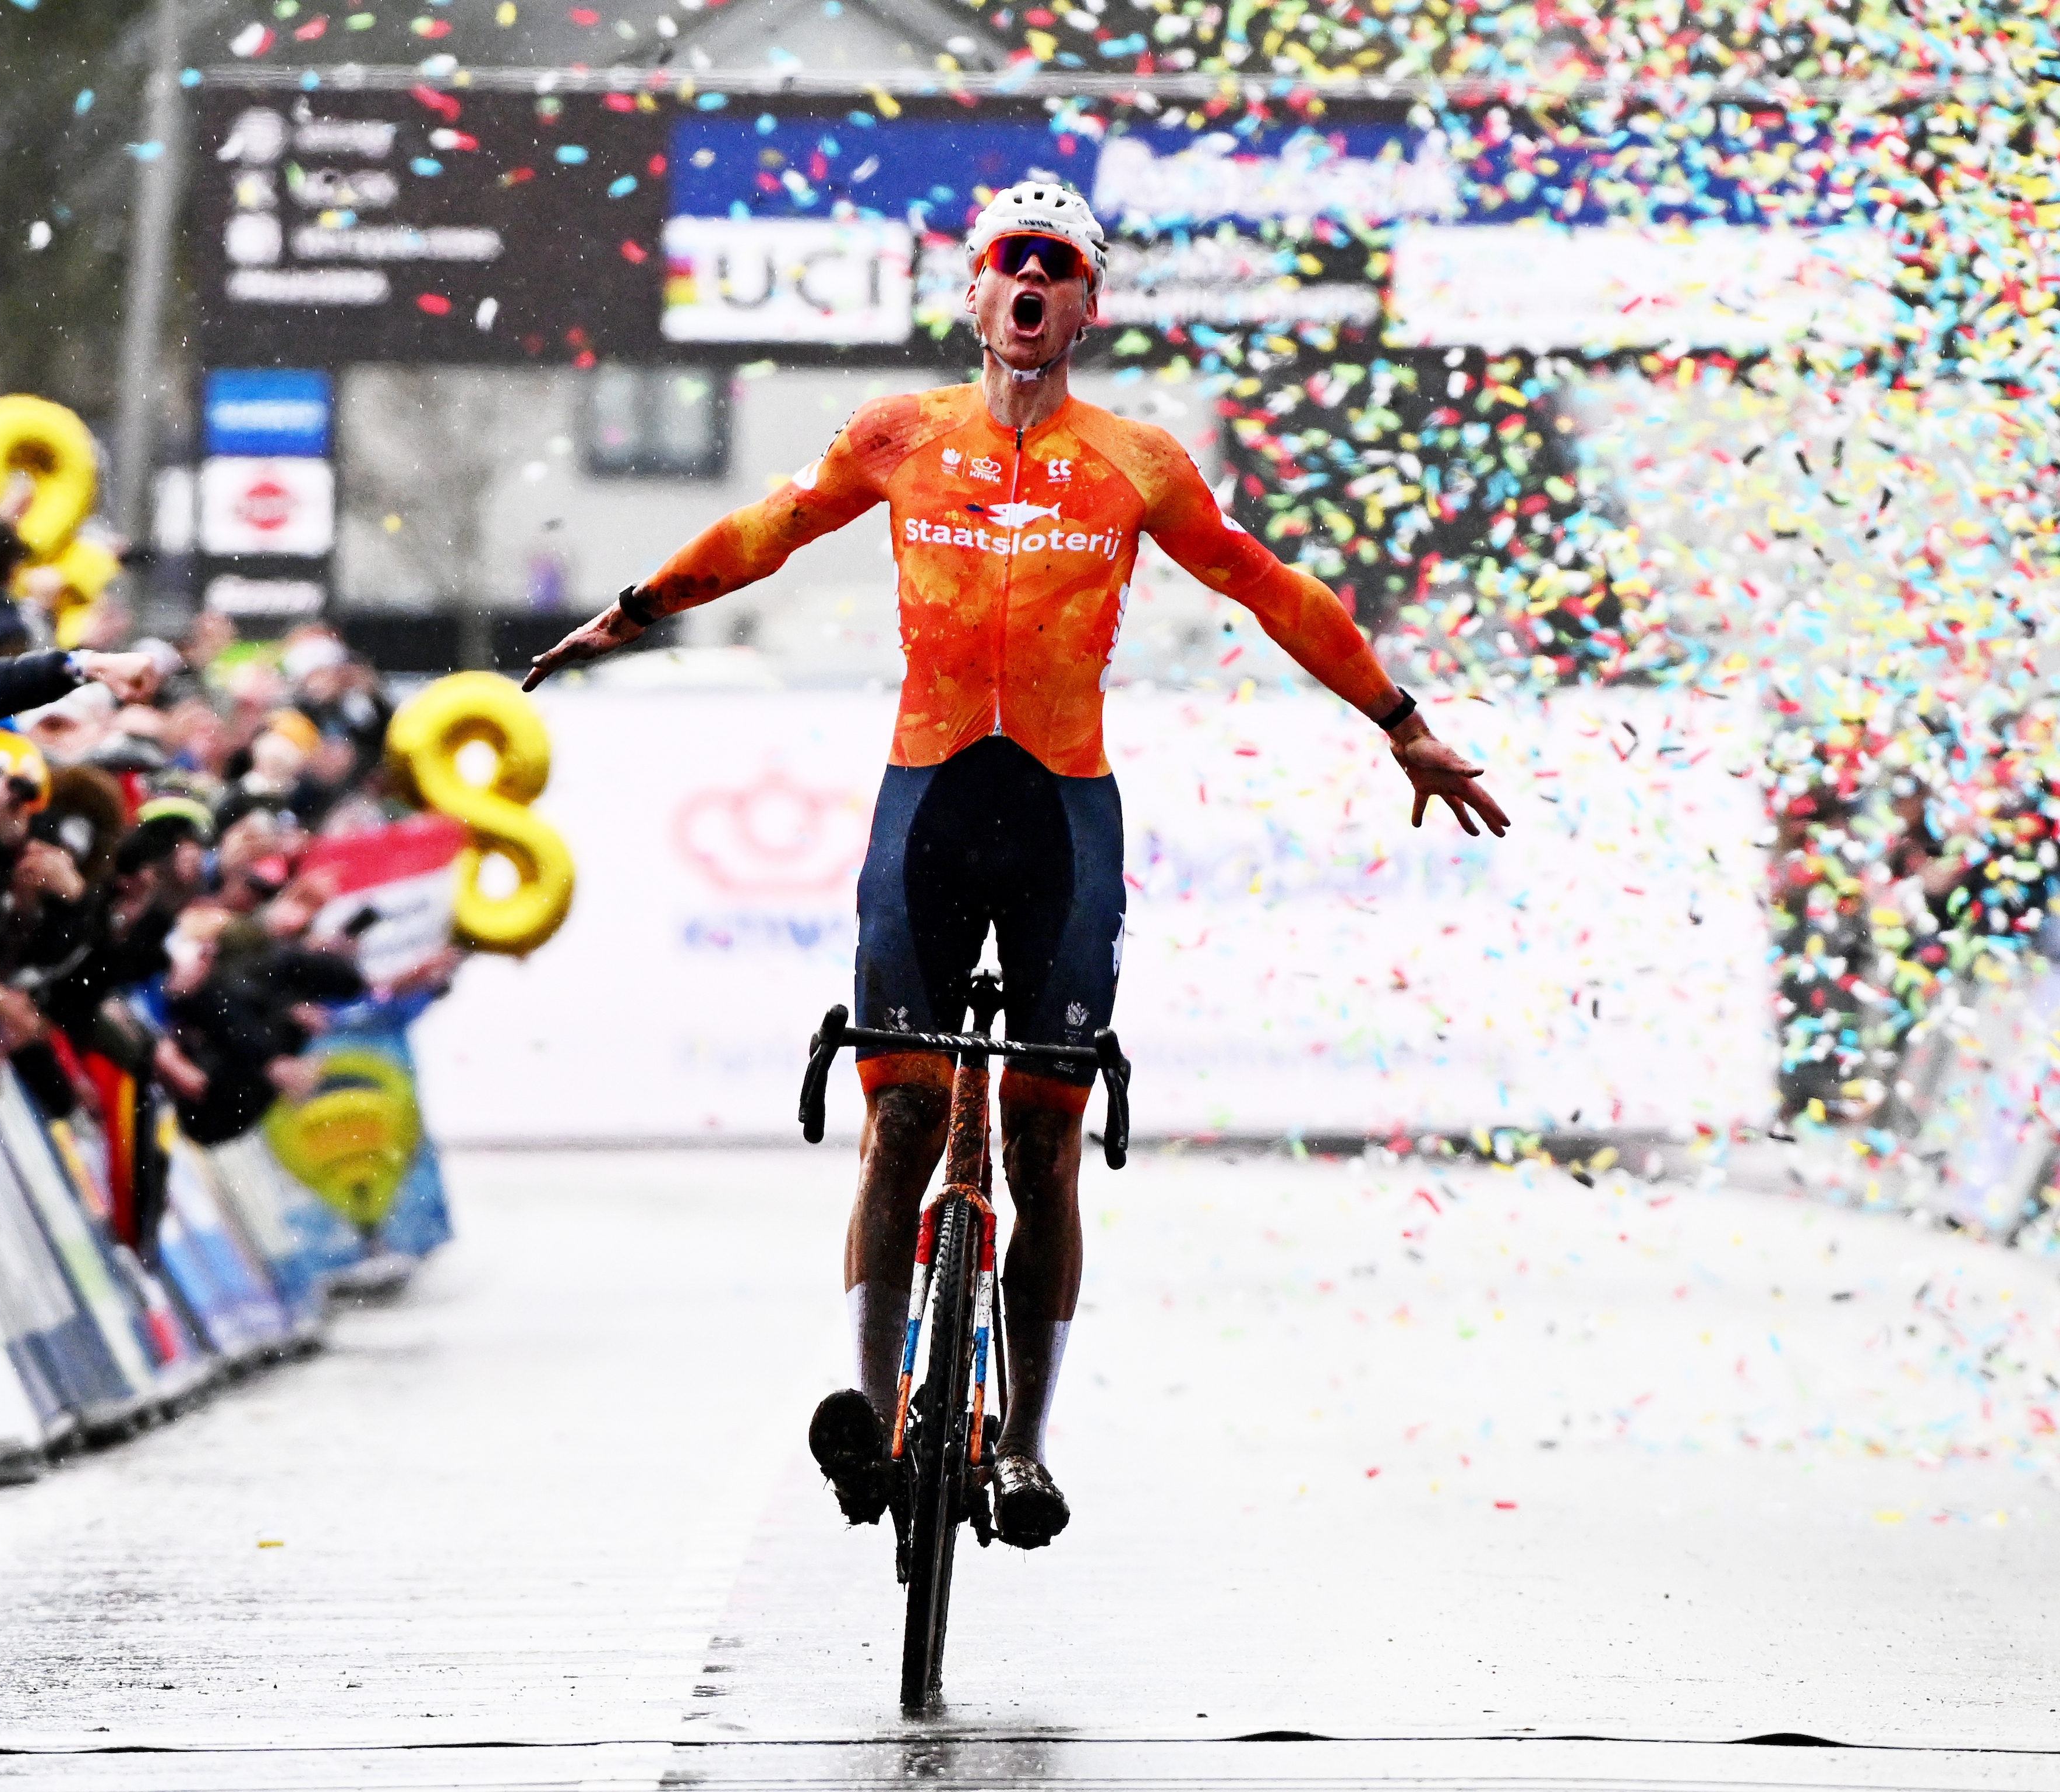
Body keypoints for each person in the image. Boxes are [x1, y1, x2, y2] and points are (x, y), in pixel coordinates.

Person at [525, 180, 1514, 1550]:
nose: (1032, 286)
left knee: (1047, 1140)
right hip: (927, 802)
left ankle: (1030, 1452)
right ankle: (873, 1418)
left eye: (1059, 269)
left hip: (1062, 813)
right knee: (908, 1121)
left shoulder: (1138, 461)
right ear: (975, 295)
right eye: (1010, 266)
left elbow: (1269, 585)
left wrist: (1402, 726)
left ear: (1090, 304)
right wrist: (630, 615)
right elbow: (767, 530)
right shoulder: (897, 435)